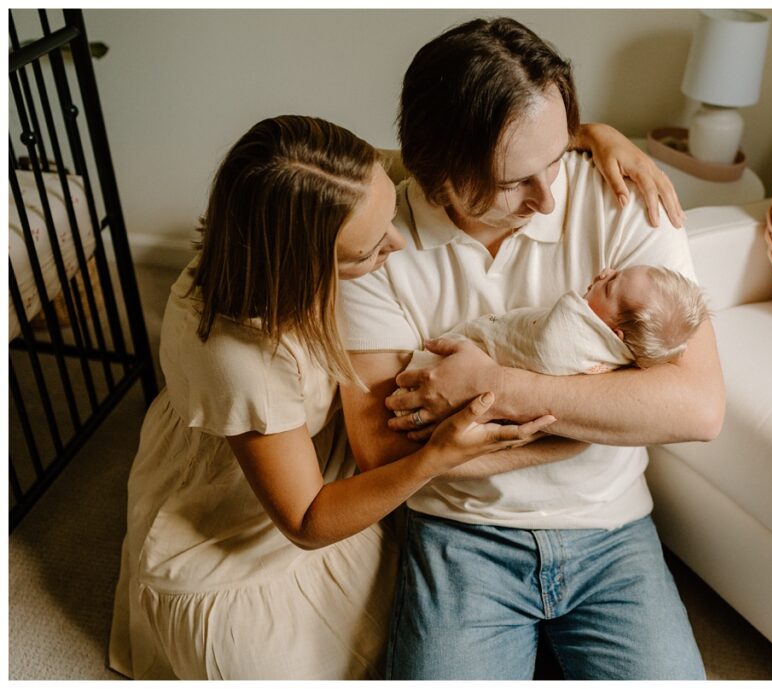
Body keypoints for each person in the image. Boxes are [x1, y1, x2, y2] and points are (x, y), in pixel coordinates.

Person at [106, 114, 682, 679]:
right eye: (369, 251)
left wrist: (592, 136)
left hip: (341, 457)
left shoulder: (332, 184)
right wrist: (438, 457)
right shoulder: (241, 358)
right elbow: (307, 520)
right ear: (304, 264)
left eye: (388, 214)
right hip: (259, 512)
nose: (400, 241)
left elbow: (465, 153)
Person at [338, 17, 725, 681]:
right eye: (515, 180)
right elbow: (382, 447)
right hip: (462, 536)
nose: (549, 197)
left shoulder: (617, 193)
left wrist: (496, 387)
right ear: (440, 173)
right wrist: (581, 430)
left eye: (557, 158)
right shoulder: (377, 246)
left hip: (612, 530)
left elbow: (696, 406)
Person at [391, 265, 708, 427]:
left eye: (610, 285)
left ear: (616, 335)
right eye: (616, 271)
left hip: (464, 358)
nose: (604, 272)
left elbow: (550, 341)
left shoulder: (566, 333)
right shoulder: (620, 359)